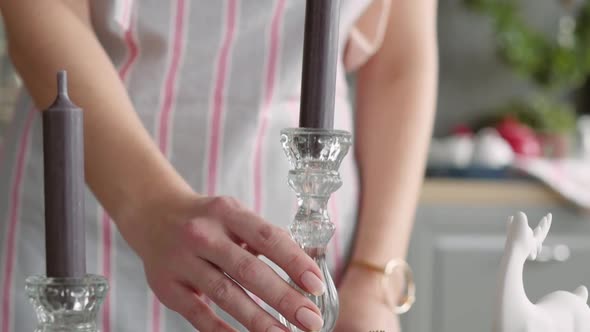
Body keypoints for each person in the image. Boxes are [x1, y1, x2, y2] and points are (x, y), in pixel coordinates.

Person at [0, 0, 437, 331]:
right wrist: (150, 206)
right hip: (81, 210)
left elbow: (401, 58)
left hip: (301, 248)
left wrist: (374, 276)